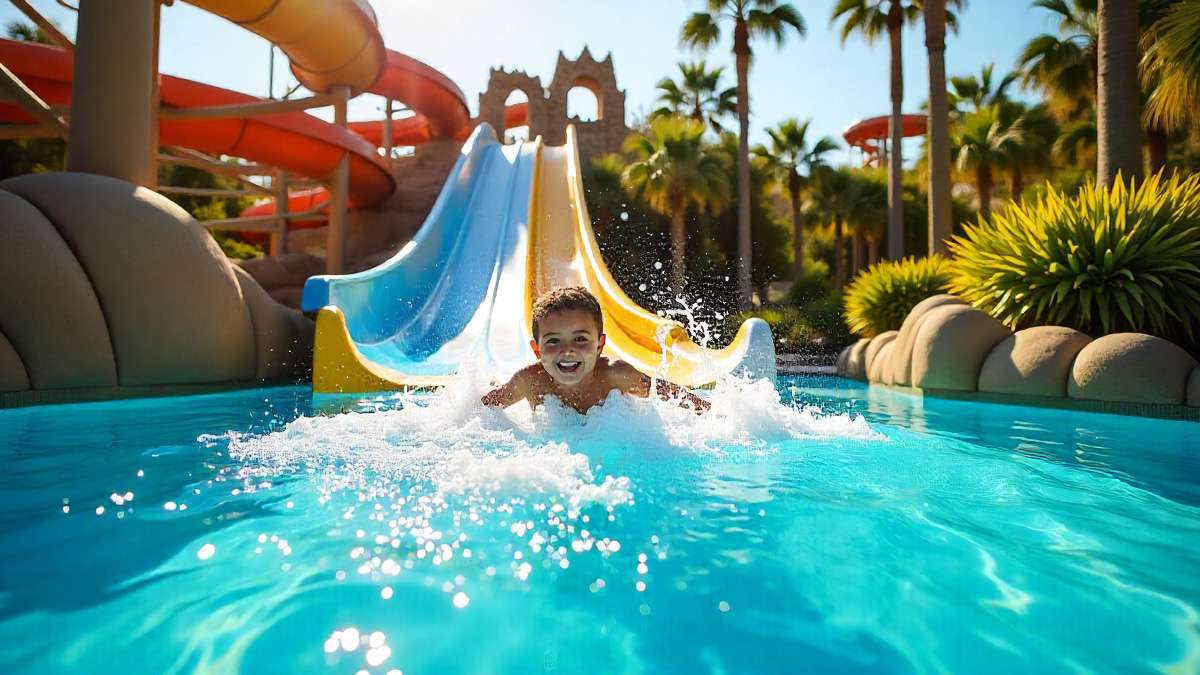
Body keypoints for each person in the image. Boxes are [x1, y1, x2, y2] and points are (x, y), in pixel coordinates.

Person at [481, 286, 709, 414]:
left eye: (580, 339)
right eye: (553, 341)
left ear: (599, 345)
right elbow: (483, 409)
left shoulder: (616, 375)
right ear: (537, 350)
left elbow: (664, 391)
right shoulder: (529, 381)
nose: (567, 350)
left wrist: (706, 410)